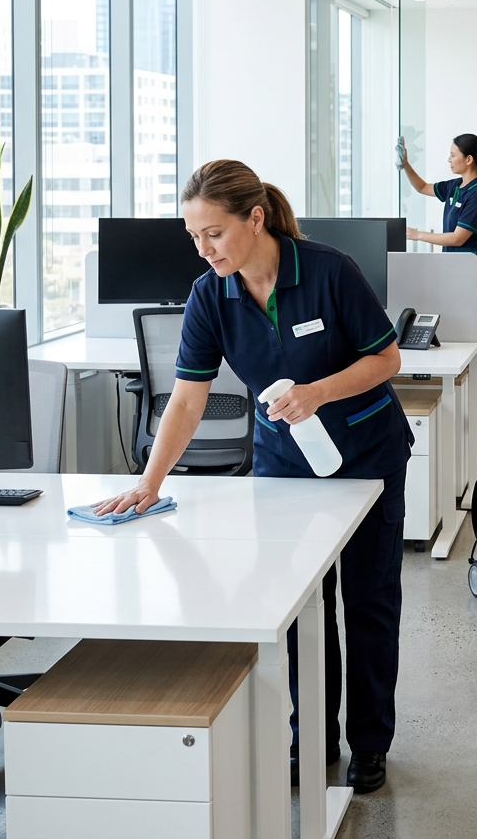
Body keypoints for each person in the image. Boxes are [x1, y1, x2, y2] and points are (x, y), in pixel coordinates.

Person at [94, 159, 412, 794]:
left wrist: (320, 391)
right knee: (299, 607)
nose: (202, 248)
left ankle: (369, 744)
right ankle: (310, 736)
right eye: (193, 236)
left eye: (213, 233)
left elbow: (387, 356)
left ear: (255, 219)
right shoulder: (212, 294)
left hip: (367, 457)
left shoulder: (327, 271)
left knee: (368, 602)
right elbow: (186, 398)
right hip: (286, 467)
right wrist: (150, 482)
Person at [400, 134, 477, 417]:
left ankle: (475, 410)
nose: (449, 159)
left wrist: (418, 234)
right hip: (450, 273)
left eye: (453, 154)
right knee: (452, 338)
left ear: (469, 160)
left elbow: (458, 238)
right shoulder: (456, 186)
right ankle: (454, 402)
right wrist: (406, 163)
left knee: (471, 341)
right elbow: (422, 187)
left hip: (469, 273)